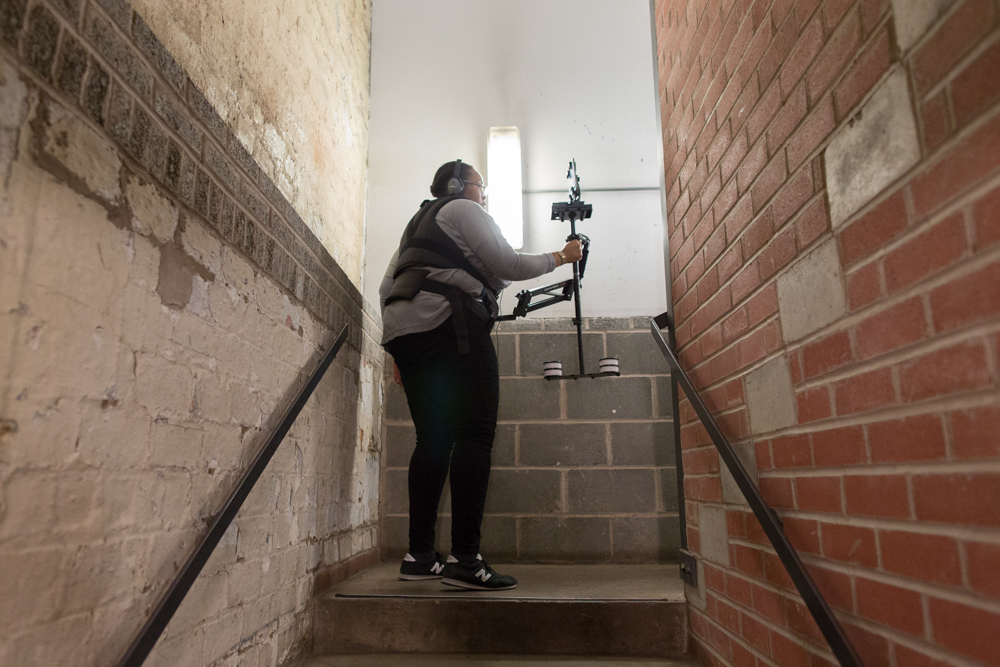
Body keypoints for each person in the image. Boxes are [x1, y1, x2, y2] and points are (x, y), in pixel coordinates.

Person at [379, 159, 583, 590]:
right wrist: (561, 257)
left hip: (408, 336)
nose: (484, 194)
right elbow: (507, 262)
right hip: (452, 327)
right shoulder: (463, 210)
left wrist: (402, 348)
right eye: (480, 185)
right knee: (474, 433)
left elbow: (387, 288)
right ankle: (465, 561)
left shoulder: (415, 225)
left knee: (432, 440)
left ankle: (418, 555)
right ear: (457, 185)